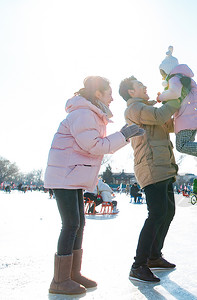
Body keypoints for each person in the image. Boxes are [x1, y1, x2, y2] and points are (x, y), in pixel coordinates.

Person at [44, 76, 144, 295]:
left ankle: (72, 273)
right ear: (98, 93)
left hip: (72, 174)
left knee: (78, 223)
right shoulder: (83, 114)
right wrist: (125, 135)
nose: (112, 99)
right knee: (71, 223)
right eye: (109, 94)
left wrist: (125, 134)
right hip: (65, 175)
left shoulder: (92, 115)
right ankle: (59, 280)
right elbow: (94, 146)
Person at [120, 75, 181, 283]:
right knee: (156, 213)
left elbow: (169, 124)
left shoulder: (150, 109)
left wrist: (187, 112)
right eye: (139, 85)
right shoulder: (135, 109)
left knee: (168, 211)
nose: (145, 86)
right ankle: (138, 265)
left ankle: (154, 256)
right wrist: (176, 97)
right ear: (131, 92)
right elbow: (158, 116)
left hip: (164, 166)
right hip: (150, 166)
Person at [157, 46, 197, 172]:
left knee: (181, 146)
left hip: (186, 117)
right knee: (189, 146)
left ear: (168, 70)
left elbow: (175, 93)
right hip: (191, 116)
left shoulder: (175, 78)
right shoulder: (183, 79)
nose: (163, 78)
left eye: (163, 74)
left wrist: (161, 97)